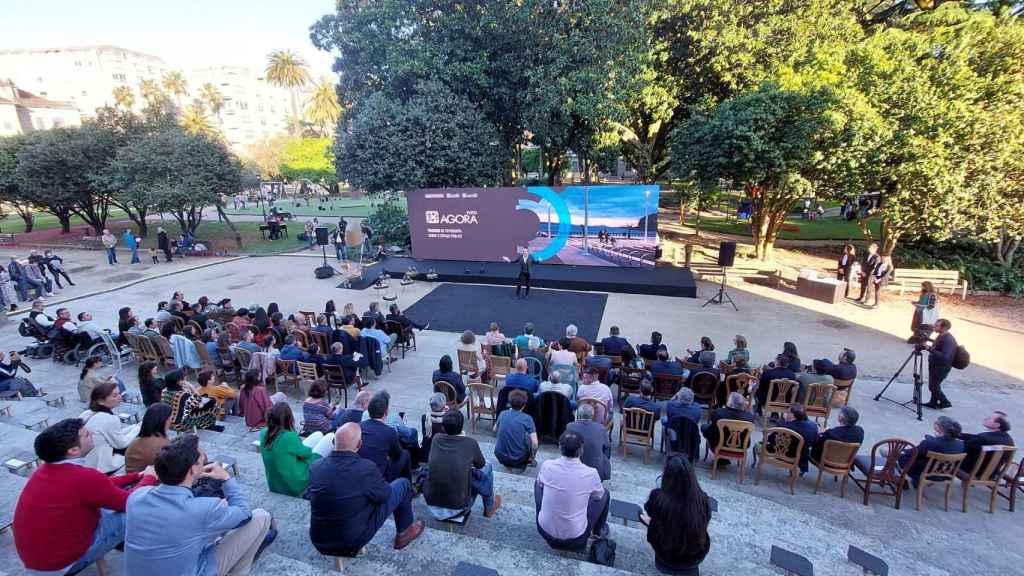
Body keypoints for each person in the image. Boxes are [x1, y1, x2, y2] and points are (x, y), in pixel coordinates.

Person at [14, 418, 157, 574]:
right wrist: (149, 478)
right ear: (73, 450)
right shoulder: (83, 477)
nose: (92, 435)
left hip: (38, 557)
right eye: (87, 434)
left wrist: (136, 476)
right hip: (60, 562)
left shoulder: (44, 471)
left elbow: (101, 484)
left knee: (117, 500)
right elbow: (130, 502)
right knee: (137, 509)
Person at [125, 435, 273, 576]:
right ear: (193, 469)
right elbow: (245, 514)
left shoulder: (136, 497)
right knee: (261, 516)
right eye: (201, 460)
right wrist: (226, 478)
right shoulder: (204, 509)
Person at [308, 423, 425, 556]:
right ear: (359, 445)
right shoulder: (366, 468)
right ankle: (404, 533)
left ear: (334, 442)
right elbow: (385, 495)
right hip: (351, 543)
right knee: (403, 484)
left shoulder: (315, 467)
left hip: (319, 540)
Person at [535, 431, 610, 550]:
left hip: (544, 530)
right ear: (581, 450)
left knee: (538, 484)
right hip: (576, 537)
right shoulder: (591, 473)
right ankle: (597, 531)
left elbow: (540, 484)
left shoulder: (547, 465)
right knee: (605, 494)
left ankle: (544, 514)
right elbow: (598, 496)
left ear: (560, 447)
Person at [642, 455, 711, 576]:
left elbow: (649, 511)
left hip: (665, 557)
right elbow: (706, 520)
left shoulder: (657, 498)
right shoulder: (703, 500)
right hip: (694, 557)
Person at [425, 410, 502, 519]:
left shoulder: (436, 439)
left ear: (443, 427)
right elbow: (481, 465)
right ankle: (489, 507)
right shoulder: (470, 443)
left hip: (432, 504)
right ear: (462, 428)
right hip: (458, 507)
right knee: (488, 467)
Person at [261, 403, 335, 497]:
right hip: (296, 483)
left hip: (275, 484)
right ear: (288, 418)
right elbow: (307, 454)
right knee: (330, 436)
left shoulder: (263, 433)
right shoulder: (289, 436)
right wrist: (306, 449)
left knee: (318, 434)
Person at [79, 382, 141, 473]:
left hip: (86, 460)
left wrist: (134, 427)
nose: (119, 397)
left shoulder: (86, 413)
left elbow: (114, 433)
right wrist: (138, 427)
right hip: (100, 464)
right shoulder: (109, 419)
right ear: (101, 401)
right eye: (114, 395)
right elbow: (122, 443)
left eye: (119, 393)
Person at [359, 391, 412, 481]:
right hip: (380, 477)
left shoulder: (358, 426)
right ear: (386, 412)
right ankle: (407, 486)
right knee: (405, 454)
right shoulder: (389, 432)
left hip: (362, 470)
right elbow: (397, 455)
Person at [898, 416, 964, 482]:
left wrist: (903, 451)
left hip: (922, 472)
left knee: (895, 454)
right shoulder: (961, 444)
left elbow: (913, 453)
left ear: (940, 427)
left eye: (936, 423)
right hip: (944, 474)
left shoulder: (930, 443)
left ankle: (899, 479)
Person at [565, 403, 611, 481]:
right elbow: (607, 447)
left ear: (578, 415)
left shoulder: (570, 426)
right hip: (596, 470)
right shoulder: (601, 428)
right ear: (593, 415)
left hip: (574, 467)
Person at [494, 389, 538, 468]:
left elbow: (494, 430)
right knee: (528, 437)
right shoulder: (527, 418)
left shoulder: (502, 413)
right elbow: (535, 444)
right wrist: (532, 457)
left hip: (499, 454)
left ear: (509, 403)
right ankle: (530, 461)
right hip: (518, 459)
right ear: (524, 405)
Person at [125, 402, 173, 473]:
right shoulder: (163, 445)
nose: (171, 421)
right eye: (170, 418)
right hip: (146, 481)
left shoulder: (137, 440)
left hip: (133, 477)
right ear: (164, 421)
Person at [925, 318, 957, 409]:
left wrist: (928, 348)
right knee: (934, 385)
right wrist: (927, 339)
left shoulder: (948, 340)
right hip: (935, 364)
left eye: (936, 326)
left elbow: (945, 356)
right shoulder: (941, 335)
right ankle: (933, 402)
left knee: (933, 386)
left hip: (941, 367)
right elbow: (937, 345)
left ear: (944, 328)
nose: (934, 327)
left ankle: (945, 402)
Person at [777, 403, 818, 474]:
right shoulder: (813, 426)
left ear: (792, 415)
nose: (786, 414)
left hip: (785, 453)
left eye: (788, 412)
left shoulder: (783, 426)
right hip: (802, 456)